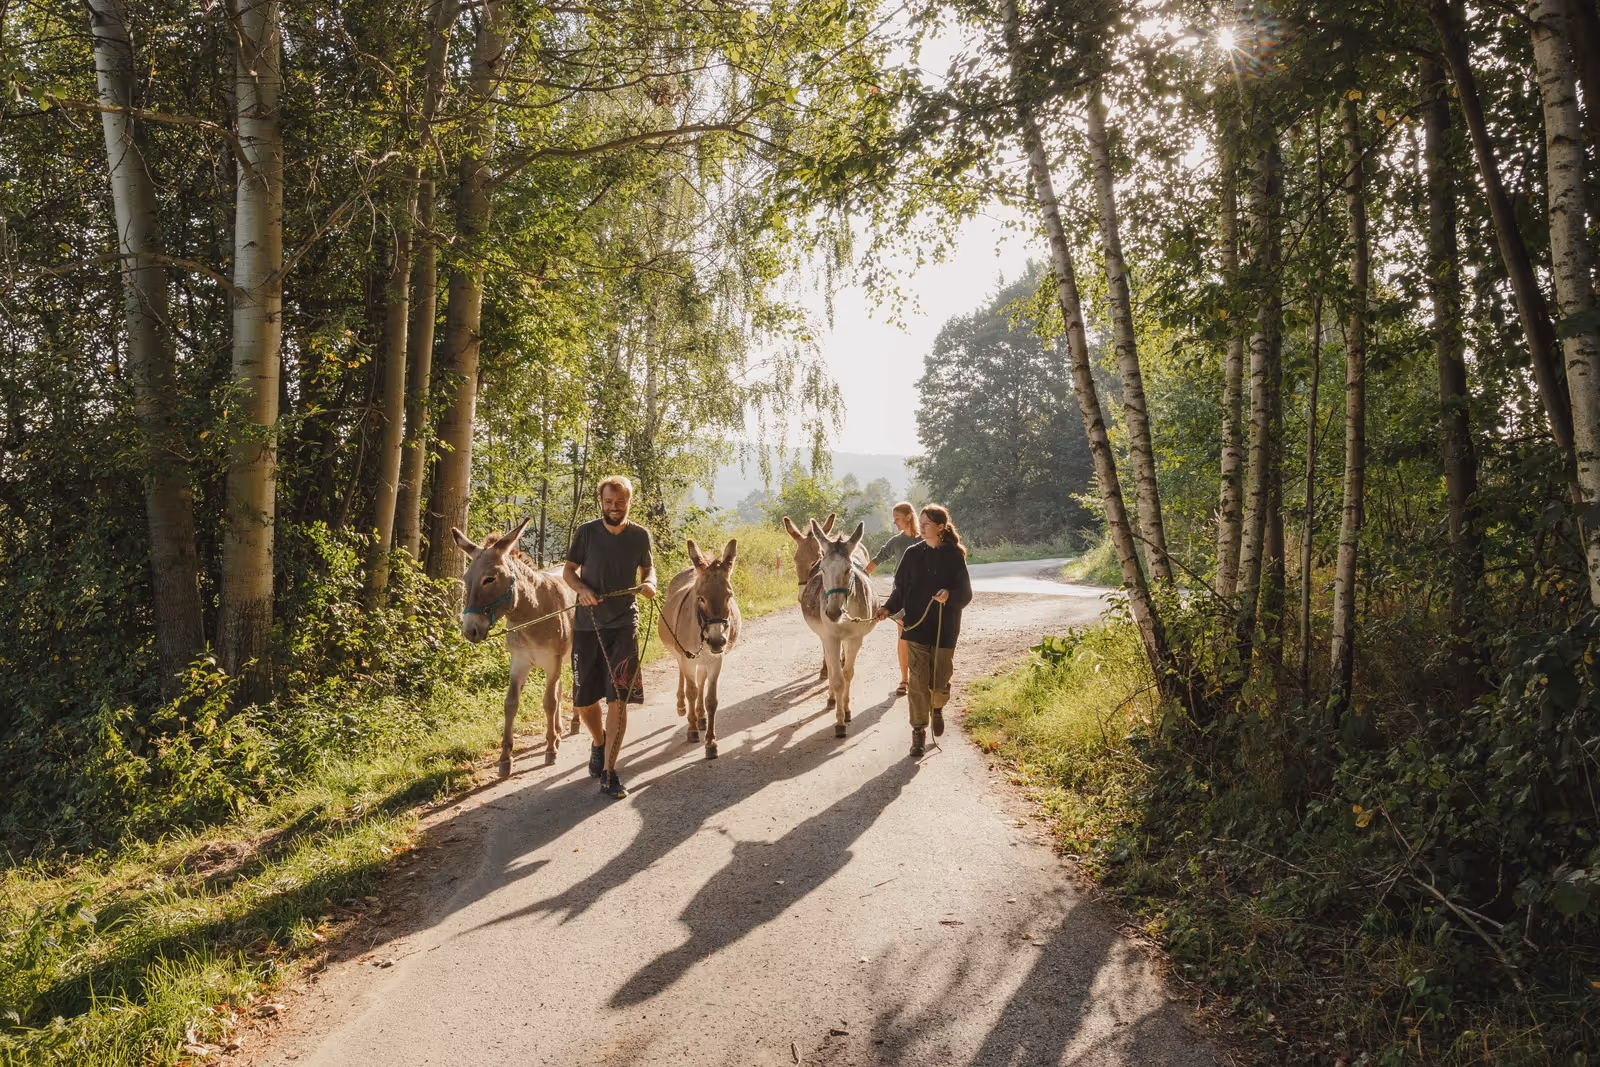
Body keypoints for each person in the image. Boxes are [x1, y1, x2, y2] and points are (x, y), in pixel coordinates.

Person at [563, 475, 656, 798]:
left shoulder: (640, 535)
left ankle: (609, 771)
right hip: (587, 625)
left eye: (620, 502)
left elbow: (648, 570)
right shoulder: (586, 533)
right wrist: (582, 590)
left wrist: (650, 584)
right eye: (608, 502)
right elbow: (568, 572)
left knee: (618, 698)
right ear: (601, 502)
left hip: (623, 624)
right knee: (586, 702)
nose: (613, 508)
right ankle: (599, 742)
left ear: (630, 502)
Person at [876, 504, 972, 757]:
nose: (923, 526)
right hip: (916, 627)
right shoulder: (911, 554)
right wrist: (887, 608)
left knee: (939, 681)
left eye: (928, 523)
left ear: (941, 527)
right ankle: (918, 731)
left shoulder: (954, 555)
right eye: (922, 522)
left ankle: (937, 707)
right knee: (917, 681)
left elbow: (966, 594)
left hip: (945, 627)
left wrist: (949, 594)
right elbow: (900, 590)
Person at [865, 502, 921, 696]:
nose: (895, 522)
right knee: (903, 636)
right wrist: (862, 576)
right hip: (901, 596)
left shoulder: (926, 539)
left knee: (923, 637)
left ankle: (922, 677)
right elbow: (877, 559)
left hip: (924, 594)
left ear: (908, 516)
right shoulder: (896, 542)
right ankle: (904, 679)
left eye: (897, 518)